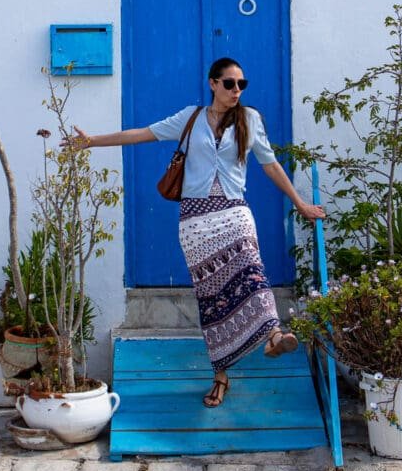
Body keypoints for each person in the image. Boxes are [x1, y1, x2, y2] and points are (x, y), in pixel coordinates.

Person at [69, 57, 325, 408]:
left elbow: (270, 165)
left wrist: (299, 203)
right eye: (229, 83)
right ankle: (221, 374)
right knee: (212, 297)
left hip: (234, 212)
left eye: (241, 84)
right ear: (213, 84)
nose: (236, 90)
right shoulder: (190, 118)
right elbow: (142, 134)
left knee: (253, 273)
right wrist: (92, 142)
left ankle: (274, 334)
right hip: (196, 219)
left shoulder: (250, 119)